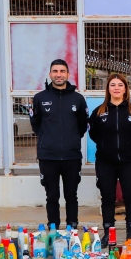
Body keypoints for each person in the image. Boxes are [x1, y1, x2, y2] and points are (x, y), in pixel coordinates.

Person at [30, 59, 88, 230]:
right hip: (48, 157)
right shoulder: (40, 98)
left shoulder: (77, 99)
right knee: (52, 196)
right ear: (50, 74)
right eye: (55, 71)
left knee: (71, 195)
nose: (59, 74)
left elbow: (83, 125)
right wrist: (49, 139)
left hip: (72, 156)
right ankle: (53, 229)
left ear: (68, 75)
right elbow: (36, 124)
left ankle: (72, 228)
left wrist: (71, 139)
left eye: (62, 71)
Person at [89, 73, 131, 242]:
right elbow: (93, 133)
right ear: (108, 89)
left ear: (125, 89)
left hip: (129, 161)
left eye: (120, 85)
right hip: (105, 162)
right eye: (113, 85)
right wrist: (107, 146)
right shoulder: (99, 112)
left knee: (130, 196)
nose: (116, 88)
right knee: (107, 197)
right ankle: (108, 233)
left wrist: (129, 146)